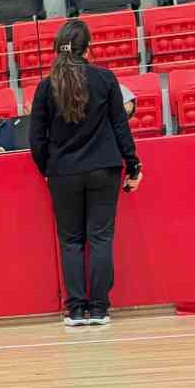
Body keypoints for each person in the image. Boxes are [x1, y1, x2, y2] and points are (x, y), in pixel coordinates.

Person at [30, 18, 142, 327]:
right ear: (88, 50)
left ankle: (76, 309)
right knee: (101, 238)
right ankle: (100, 308)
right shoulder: (105, 80)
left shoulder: (44, 87)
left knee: (71, 241)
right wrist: (133, 164)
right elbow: (121, 129)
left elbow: (36, 139)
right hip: (103, 168)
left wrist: (47, 170)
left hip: (63, 173)